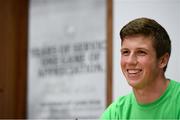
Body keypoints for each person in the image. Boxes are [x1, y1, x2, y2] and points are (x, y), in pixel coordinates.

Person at [101, 17, 180, 119]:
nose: (130, 61)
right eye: (125, 52)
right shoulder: (115, 113)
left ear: (163, 61)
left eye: (141, 52)